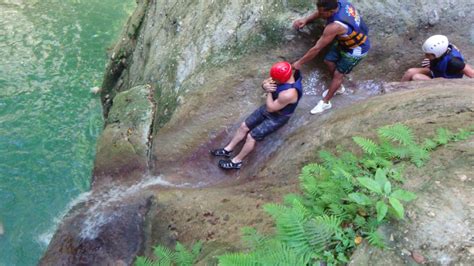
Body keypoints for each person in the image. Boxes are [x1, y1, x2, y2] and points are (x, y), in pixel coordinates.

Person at [210, 62, 303, 170]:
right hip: (271, 106)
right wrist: (264, 85)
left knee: (251, 136)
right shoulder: (283, 74)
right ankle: (227, 149)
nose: (273, 80)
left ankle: (237, 161)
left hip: (278, 116)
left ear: (282, 79)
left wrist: (268, 91)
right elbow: (267, 82)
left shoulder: (289, 94)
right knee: (244, 126)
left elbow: (271, 108)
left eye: (275, 79)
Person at [292, 0, 370, 114]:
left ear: (331, 11)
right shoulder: (339, 2)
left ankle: (325, 102)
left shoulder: (335, 26)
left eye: (322, 13)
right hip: (344, 42)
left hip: (356, 49)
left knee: (338, 75)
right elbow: (320, 11)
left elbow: (317, 48)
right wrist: (306, 20)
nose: (320, 14)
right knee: (328, 61)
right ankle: (338, 87)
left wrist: (299, 62)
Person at [401, 35, 474, 81]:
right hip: (437, 73)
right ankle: (399, 92)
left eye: (428, 55)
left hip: (446, 82)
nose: (425, 56)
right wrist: (432, 61)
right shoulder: (442, 51)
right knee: (410, 72)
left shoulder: (454, 62)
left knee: (416, 77)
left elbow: (471, 73)